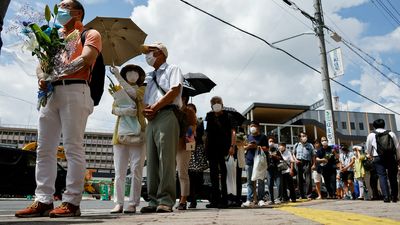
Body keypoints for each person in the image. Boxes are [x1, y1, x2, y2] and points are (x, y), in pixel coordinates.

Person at [15, 0, 101, 218]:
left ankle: (72, 202)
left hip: (76, 90)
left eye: (66, 6)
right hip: (51, 93)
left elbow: (87, 58)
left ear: (78, 12)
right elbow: (41, 63)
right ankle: (43, 200)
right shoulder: (53, 36)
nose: (60, 9)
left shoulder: (90, 33)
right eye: (59, 6)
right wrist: (43, 76)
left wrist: (59, 72)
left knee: (73, 147)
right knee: (44, 148)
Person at [140, 42, 183, 213]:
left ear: (160, 53)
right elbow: (146, 99)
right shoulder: (150, 76)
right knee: (151, 160)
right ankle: (153, 200)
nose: (147, 56)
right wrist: (146, 111)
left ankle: (166, 199)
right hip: (152, 119)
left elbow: (174, 90)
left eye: (150, 52)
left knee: (166, 159)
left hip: (166, 114)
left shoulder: (173, 69)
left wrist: (155, 107)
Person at [109, 65, 147, 214]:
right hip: (120, 134)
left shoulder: (143, 89)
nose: (132, 74)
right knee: (119, 172)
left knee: (137, 169)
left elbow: (134, 94)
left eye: (136, 72)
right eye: (129, 72)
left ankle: (132, 203)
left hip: (138, 132)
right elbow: (113, 109)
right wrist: (124, 111)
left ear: (140, 75)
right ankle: (118, 203)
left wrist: (118, 77)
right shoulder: (118, 89)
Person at [204, 96, 237, 208]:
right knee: (213, 175)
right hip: (212, 149)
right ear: (211, 105)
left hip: (225, 148)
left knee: (224, 174)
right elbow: (207, 134)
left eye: (218, 102)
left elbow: (233, 132)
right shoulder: (209, 116)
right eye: (213, 102)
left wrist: (232, 146)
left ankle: (225, 200)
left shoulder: (229, 116)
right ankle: (214, 200)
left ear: (222, 104)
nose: (216, 104)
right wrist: (206, 148)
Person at [365, 119, 400, 203]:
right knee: (393, 176)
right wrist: (398, 158)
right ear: (384, 125)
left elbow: (368, 148)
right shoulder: (391, 133)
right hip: (391, 157)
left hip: (378, 158)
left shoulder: (371, 135)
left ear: (374, 126)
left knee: (382, 176)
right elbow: (397, 146)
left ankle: (386, 197)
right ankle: (394, 197)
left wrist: (369, 154)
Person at [175, 97, 197, 210]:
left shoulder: (189, 111)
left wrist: (190, 146)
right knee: (168, 173)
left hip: (184, 145)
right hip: (171, 144)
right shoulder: (171, 109)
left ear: (184, 98)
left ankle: (183, 200)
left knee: (182, 173)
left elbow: (192, 128)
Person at [242, 121, 268, 207]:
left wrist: (257, 146)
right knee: (249, 181)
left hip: (259, 161)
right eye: (251, 126)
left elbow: (266, 148)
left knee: (260, 180)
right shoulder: (247, 137)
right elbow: (243, 147)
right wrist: (248, 146)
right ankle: (249, 199)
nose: (252, 127)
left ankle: (261, 199)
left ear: (258, 127)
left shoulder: (263, 137)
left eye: (254, 126)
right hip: (249, 161)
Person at [188, 105, 207, 209]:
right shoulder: (185, 120)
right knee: (189, 175)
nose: (190, 111)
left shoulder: (199, 121)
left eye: (192, 110)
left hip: (198, 148)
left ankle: (196, 195)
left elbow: (201, 135)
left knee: (198, 175)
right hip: (188, 148)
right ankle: (192, 199)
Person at [293, 132, 315, 199]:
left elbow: (313, 155)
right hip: (298, 162)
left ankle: (309, 195)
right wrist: (295, 160)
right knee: (299, 179)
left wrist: (313, 164)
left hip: (307, 162)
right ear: (299, 138)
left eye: (304, 136)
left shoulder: (310, 145)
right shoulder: (296, 145)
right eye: (302, 136)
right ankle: (301, 195)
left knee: (308, 179)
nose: (303, 137)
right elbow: (293, 154)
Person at [267, 137, 282, 204]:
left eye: (272, 141)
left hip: (276, 169)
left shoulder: (276, 149)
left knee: (279, 184)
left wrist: (274, 156)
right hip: (269, 169)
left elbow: (280, 158)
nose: (271, 142)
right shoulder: (266, 150)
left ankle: (279, 199)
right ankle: (271, 199)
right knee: (270, 184)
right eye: (270, 141)